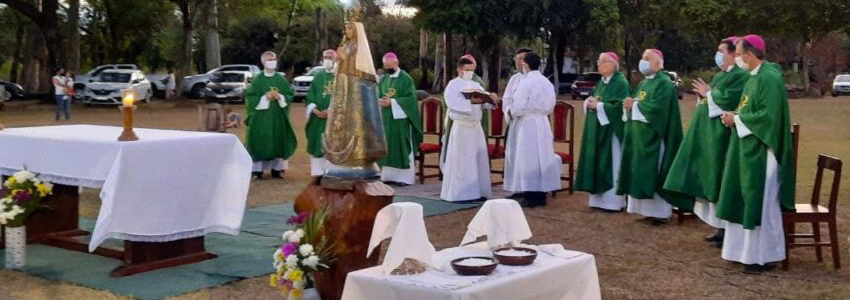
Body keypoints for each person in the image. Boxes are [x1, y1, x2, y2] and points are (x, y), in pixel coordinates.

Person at [716, 35, 795, 273]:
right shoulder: (754, 77)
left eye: (738, 54)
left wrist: (737, 119)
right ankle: (744, 252)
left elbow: (768, 117)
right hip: (748, 147)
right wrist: (733, 116)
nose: (737, 58)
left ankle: (764, 257)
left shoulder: (769, 78)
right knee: (746, 198)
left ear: (749, 55)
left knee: (761, 203)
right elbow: (749, 108)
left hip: (764, 151)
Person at [664, 37, 749, 246]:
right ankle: (719, 228)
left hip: (723, 137)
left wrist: (709, 94)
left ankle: (726, 229)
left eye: (721, 50)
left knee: (720, 180)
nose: (718, 54)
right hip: (710, 137)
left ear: (732, 53)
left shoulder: (740, 76)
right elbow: (712, 98)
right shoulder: (721, 75)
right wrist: (705, 96)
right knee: (713, 180)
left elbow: (729, 100)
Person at [617, 49, 691, 225]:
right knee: (641, 171)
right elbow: (637, 103)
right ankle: (647, 211)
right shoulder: (643, 84)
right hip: (640, 137)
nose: (643, 61)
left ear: (658, 63)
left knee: (655, 171)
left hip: (655, 138)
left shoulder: (664, 83)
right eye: (642, 58)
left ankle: (660, 213)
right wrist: (628, 105)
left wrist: (634, 105)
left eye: (647, 58)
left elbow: (658, 109)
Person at [502, 52, 561, 207]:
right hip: (542, 122)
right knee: (540, 157)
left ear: (526, 65)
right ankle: (540, 193)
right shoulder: (545, 82)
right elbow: (550, 104)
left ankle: (530, 194)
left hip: (527, 123)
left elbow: (519, 106)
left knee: (528, 158)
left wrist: (510, 111)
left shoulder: (526, 82)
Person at [575, 52, 630, 212]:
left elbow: (620, 107)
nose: (598, 65)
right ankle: (598, 201)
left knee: (612, 164)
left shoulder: (620, 82)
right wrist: (589, 102)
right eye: (598, 62)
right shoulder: (602, 82)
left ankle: (613, 202)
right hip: (599, 130)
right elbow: (595, 99)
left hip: (612, 132)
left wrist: (599, 106)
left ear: (613, 64)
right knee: (598, 161)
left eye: (602, 62)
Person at [440, 57, 499, 202]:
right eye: (467, 70)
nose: (469, 73)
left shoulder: (475, 84)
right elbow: (453, 103)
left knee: (477, 159)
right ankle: (461, 194)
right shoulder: (453, 85)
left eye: (472, 70)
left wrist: (491, 100)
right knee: (462, 161)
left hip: (475, 128)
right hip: (462, 127)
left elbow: (484, 104)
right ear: (459, 69)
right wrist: (471, 101)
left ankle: (478, 191)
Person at [244, 51, 297, 180]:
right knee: (261, 140)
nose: (272, 61)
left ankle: (277, 169)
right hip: (261, 117)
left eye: (274, 59)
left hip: (277, 116)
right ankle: (257, 170)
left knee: (277, 139)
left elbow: (289, 94)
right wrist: (264, 97)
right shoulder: (258, 80)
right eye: (269, 59)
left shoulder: (280, 79)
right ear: (263, 62)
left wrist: (280, 96)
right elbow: (250, 97)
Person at [378, 52, 422, 186]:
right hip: (386, 119)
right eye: (386, 66)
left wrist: (392, 102)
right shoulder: (384, 79)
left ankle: (404, 178)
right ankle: (387, 176)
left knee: (401, 145)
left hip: (401, 120)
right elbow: (379, 94)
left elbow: (410, 99)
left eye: (390, 66)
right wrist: (380, 101)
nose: (388, 68)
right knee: (388, 146)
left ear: (396, 63)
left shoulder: (406, 79)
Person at [305, 49, 338, 177]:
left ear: (336, 59)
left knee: (334, 145)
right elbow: (310, 96)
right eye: (325, 57)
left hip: (335, 119)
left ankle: (333, 172)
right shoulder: (318, 76)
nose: (327, 59)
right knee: (317, 143)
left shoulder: (341, 77)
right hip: (317, 118)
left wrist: (331, 112)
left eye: (330, 57)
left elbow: (346, 97)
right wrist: (314, 110)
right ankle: (318, 173)